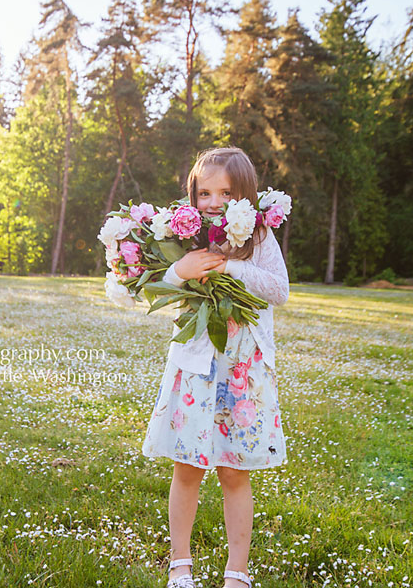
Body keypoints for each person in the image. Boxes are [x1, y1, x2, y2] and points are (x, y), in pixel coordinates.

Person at [141, 147, 291, 588]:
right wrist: (180, 269)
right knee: (186, 467)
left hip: (242, 369)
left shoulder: (258, 238)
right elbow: (151, 288)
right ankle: (180, 565)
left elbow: (279, 290)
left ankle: (237, 572)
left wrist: (231, 266)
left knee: (233, 470)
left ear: (245, 195)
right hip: (196, 368)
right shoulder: (182, 238)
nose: (213, 202)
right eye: (204, 192)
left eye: (225, 192)